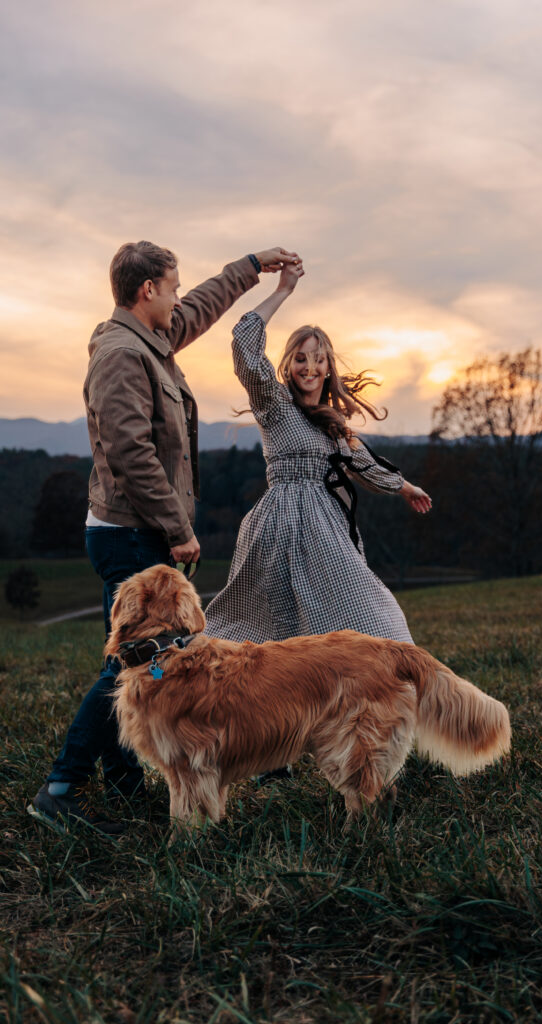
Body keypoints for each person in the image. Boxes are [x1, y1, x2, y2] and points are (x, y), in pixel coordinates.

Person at [30, 240, 301, 833]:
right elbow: (131, 452)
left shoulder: (149, 339)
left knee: (133, 668)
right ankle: (60, 787)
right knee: (129, 669)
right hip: (133, 533)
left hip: (137, 528)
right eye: (172, 286)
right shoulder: (122, 356)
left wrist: (251, 269)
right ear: (147, 289)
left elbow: (199, 308)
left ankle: (126, 788)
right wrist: (178, 531)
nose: (179, 296)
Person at [203, 261, 432, 649]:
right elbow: (243, 342)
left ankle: (391, 676)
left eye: (318, 359)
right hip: (280, 528)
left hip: (327, 529)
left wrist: (406, 487)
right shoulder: (274, 404)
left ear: (328, 368)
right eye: (301, 359)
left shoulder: (333, 423)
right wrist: (283, 290)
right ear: (289, 365)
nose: (309, 367)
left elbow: (362, 463)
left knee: (374, 615)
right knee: (270, 633)